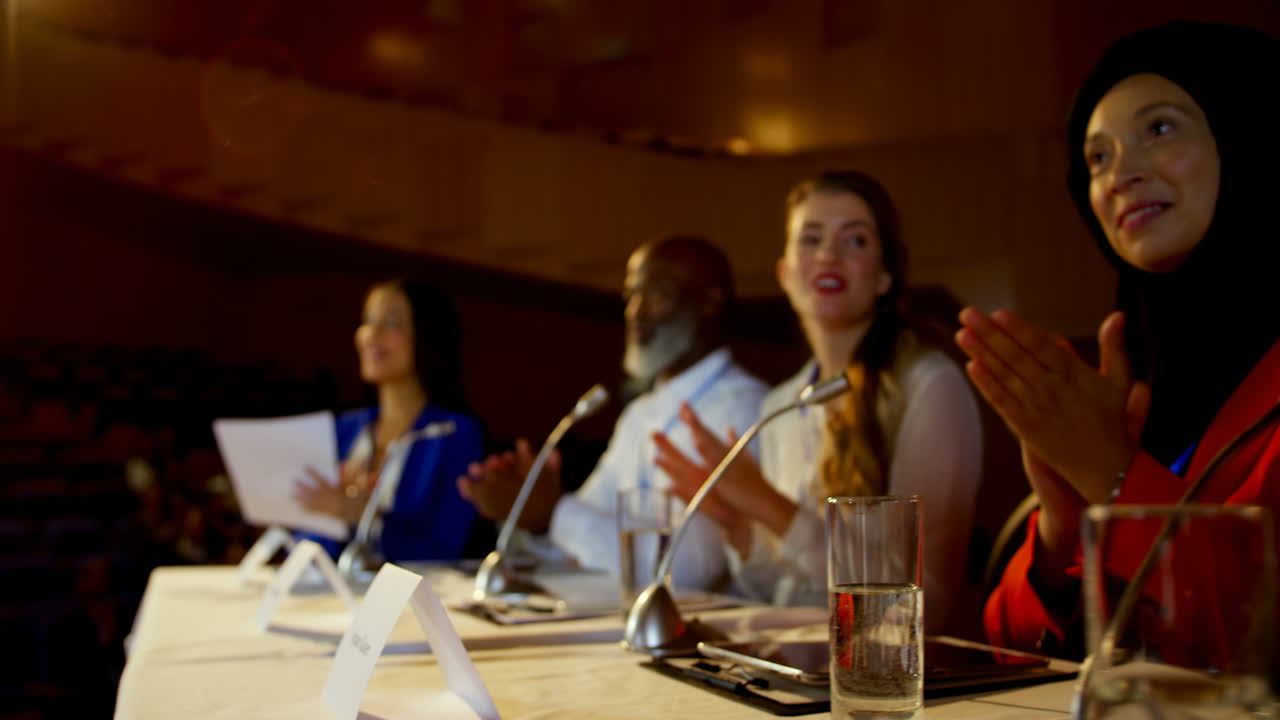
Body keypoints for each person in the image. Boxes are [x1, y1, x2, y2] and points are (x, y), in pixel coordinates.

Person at [958, 22, 1280, 658]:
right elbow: (1011, 648)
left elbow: (1257, 649)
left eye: (1158, 129)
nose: (1118, 175)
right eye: (1097, 157)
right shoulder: (1132, 375)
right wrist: (1060, 524)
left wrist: (1111, 477)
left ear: (1249, 135)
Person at [654, 171, 984, 633]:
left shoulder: (929, 387)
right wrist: (739, 529)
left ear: (885, 275)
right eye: (811, 239)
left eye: (856, 241)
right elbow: (783, 597)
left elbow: (927, 601)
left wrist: (770, 506)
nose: (829, 254)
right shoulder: (782, 405)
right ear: (785, 274)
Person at [457, 235, 768, 591]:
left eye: (658, 294)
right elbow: (581, 537)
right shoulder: (641, 412)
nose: (636, 312)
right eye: (631, 296)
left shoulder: (744, 407)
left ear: (709, 303)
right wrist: (527, 507)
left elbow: (688, 570)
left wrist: (552, 513)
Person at [293, 279, 485, 563]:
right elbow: (307, 544)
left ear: (427, 335)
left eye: (392, 322)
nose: (372, 334)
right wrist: (330, 514)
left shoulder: (454, 434)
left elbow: (445, 550)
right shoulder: (344, 430)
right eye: (368, 321)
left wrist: (366, 517)